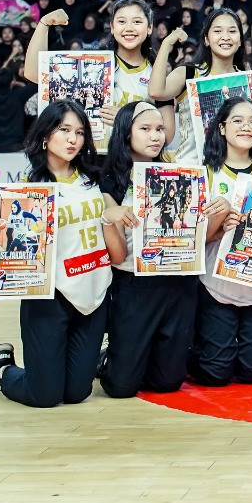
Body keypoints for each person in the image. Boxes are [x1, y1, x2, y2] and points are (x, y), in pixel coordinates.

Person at [0, 100, 130, 408]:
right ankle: (6, 369)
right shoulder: (28, 187)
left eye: (79, 132)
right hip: (49, 296)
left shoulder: (96, 180)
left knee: (77, 394)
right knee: (45, 397)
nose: (73, 139)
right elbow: (1, 243)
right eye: (64, 130)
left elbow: (117, 250)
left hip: (94, 292)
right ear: (44, 135)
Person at [96, 102, 198, 398]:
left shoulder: (180, 175)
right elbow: (117, 256)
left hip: (178, 281)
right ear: (126, 133)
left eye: (160, 129)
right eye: (145, 129)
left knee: (167, 383)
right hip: (134, 282)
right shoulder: (109, 181)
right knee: (120, 387)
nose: (155, 136)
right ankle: (108, 357)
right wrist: (109, 218)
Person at [189, 95, 252, 387]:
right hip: (216, 286)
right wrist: (219, 224)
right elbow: (191, 242)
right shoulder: (205, 174)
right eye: (237, 121)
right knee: (216, 374)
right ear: (222, 127)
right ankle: (190, 351)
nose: (246, 127)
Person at [25, 0, 161, 145]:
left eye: (137, 22)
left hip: (132, 156)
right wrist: (44, 24)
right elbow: (34, 73)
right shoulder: (91, 62)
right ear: (112, 26)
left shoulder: (156, 72)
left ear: (149, 27)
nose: (129, 28)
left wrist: (126, 120)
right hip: (90, 155)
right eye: (122, 21)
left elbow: (166, 133)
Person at [149, 8, 247, 163]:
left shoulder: (247, 81)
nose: (226, 37)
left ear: (240, 40)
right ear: (206, 39)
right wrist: (166, 44)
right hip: (191, 168)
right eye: (218, 31)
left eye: (232, 31)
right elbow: (156, 91)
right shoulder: (189, 73)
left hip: (232, 170)